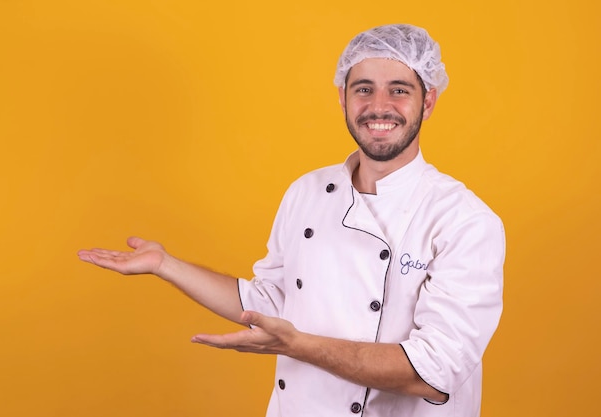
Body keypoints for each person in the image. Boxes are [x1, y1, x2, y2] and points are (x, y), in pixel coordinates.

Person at [78, 23, 505, 417]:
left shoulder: (463, 221)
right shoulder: (308, 191)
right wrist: (166, 265)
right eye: (363, 89)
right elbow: (270, 303)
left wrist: (297, 346)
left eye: (398, 90)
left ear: (427, 100)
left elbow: (429, 371)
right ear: (341, 97)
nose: (379, 106)